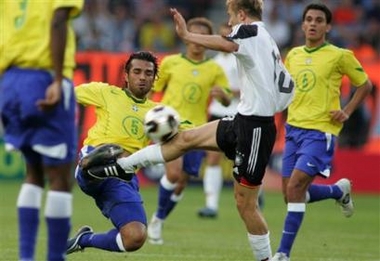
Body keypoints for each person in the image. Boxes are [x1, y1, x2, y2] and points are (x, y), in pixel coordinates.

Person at [87, 1, 295, 260]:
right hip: (243, 120)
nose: (229, 22)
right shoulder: (268, 41)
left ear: (242, 14)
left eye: (231, 16)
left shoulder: (250, 31)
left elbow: (227, 43)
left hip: (256, 130)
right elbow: (289, 87)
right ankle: (124, 166)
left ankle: (267, 258)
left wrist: (186, 35)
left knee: (246, 205)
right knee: (185, 139)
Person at [271, 3, 373, 261]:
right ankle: (337, 191)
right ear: (303, 24)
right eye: (309, 19)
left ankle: (283, 253)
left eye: (319, 20)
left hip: (320, 131)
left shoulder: (339, 55)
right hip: (294, 129)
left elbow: (365, 85)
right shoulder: (292, 55)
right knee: (290, 194)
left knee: (295, 187)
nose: (313, 23)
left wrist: (347, 111)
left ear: (328, 26)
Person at [0, 1, 83, 260]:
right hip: (44, 75)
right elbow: (58, 20)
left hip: (11, 80)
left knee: (32, 172)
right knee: (60, 177)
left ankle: (26, 257)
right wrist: (58, 80)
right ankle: (55, 257)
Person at [65, 51, 168, 254]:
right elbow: (65, 94)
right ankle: (90, 166)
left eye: (148, 73)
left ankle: (83, 240)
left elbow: (191, 135)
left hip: (124, 177)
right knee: (111, 152)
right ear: (126, 75)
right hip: (97, 154)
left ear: (154, 79)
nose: (142, 77)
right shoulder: (105, 92)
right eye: (137, 71)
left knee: (135, 237)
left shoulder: (159, 113)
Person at [145, 17, 231, 244]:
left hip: (196, 131)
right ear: (186, 37)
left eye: (202, 37)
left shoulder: (214, 69)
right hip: (170, 128)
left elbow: (225, 99)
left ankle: (158, 219)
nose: (197, 42)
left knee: (181, 182)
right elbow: (153, 89)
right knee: (172, 174)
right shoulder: (171, 62)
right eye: (193, 35)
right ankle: (156, 222)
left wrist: (223, 96)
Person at [197, 22, 240, 218]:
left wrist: (227, 91)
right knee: (212, 158)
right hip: (216, 111)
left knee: (243, 160)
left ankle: (257, 194)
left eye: (228, 37)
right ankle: (211, 205)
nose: (224, 40)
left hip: (240, 112)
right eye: (221, 37)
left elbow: (251, 88)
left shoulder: (241, 59)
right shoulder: (214, 62)